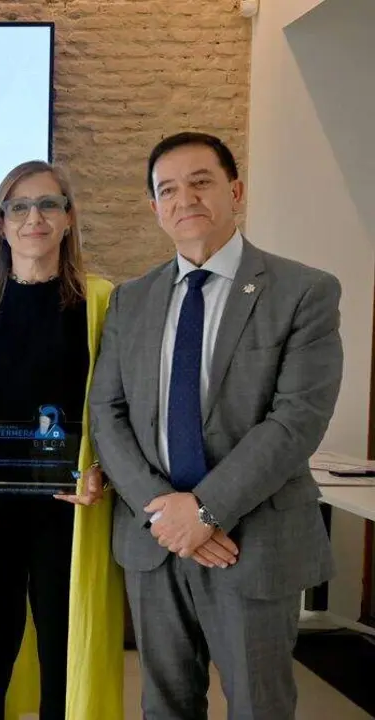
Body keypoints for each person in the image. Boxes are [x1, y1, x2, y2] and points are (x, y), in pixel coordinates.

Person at [89, 132, 342, 720]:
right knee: (165, 705)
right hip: (156, 541)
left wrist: (203, 512)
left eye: (200, 182)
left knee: (259, 705)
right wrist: (164, 510)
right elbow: (107, 413)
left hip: (252, 541)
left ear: (235, 190)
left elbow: (296, 419)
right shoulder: (132, 300)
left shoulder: (303, 291)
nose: (185, 199)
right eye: (167, 190)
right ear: (155, 209)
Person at [0, 161, 124, 720]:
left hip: (70, 503)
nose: (33, 218)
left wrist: (104, 470)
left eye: (48, 204)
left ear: (69, 218)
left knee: (63, 641)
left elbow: (119, 404)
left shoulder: (102, 301)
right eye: (18, 207)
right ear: (0, 224)